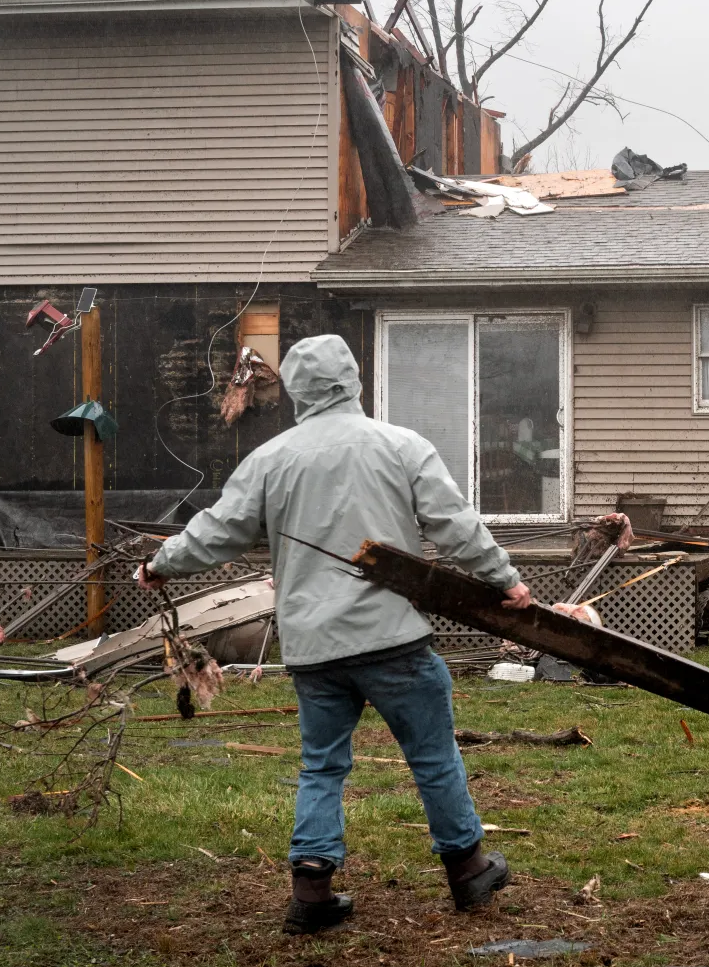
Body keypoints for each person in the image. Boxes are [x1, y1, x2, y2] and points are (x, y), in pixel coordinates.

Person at [136, 335, 534, 935]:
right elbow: (455, 526)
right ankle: (468, 869)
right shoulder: (401, 446)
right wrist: (504, 579)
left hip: (313, 647)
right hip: (392, 640)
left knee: (322, 765)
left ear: (295, 392)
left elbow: (217, 531)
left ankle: (311, 891)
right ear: (353, 381)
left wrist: (161, 563)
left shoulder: (270, 460)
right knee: (432, 754)